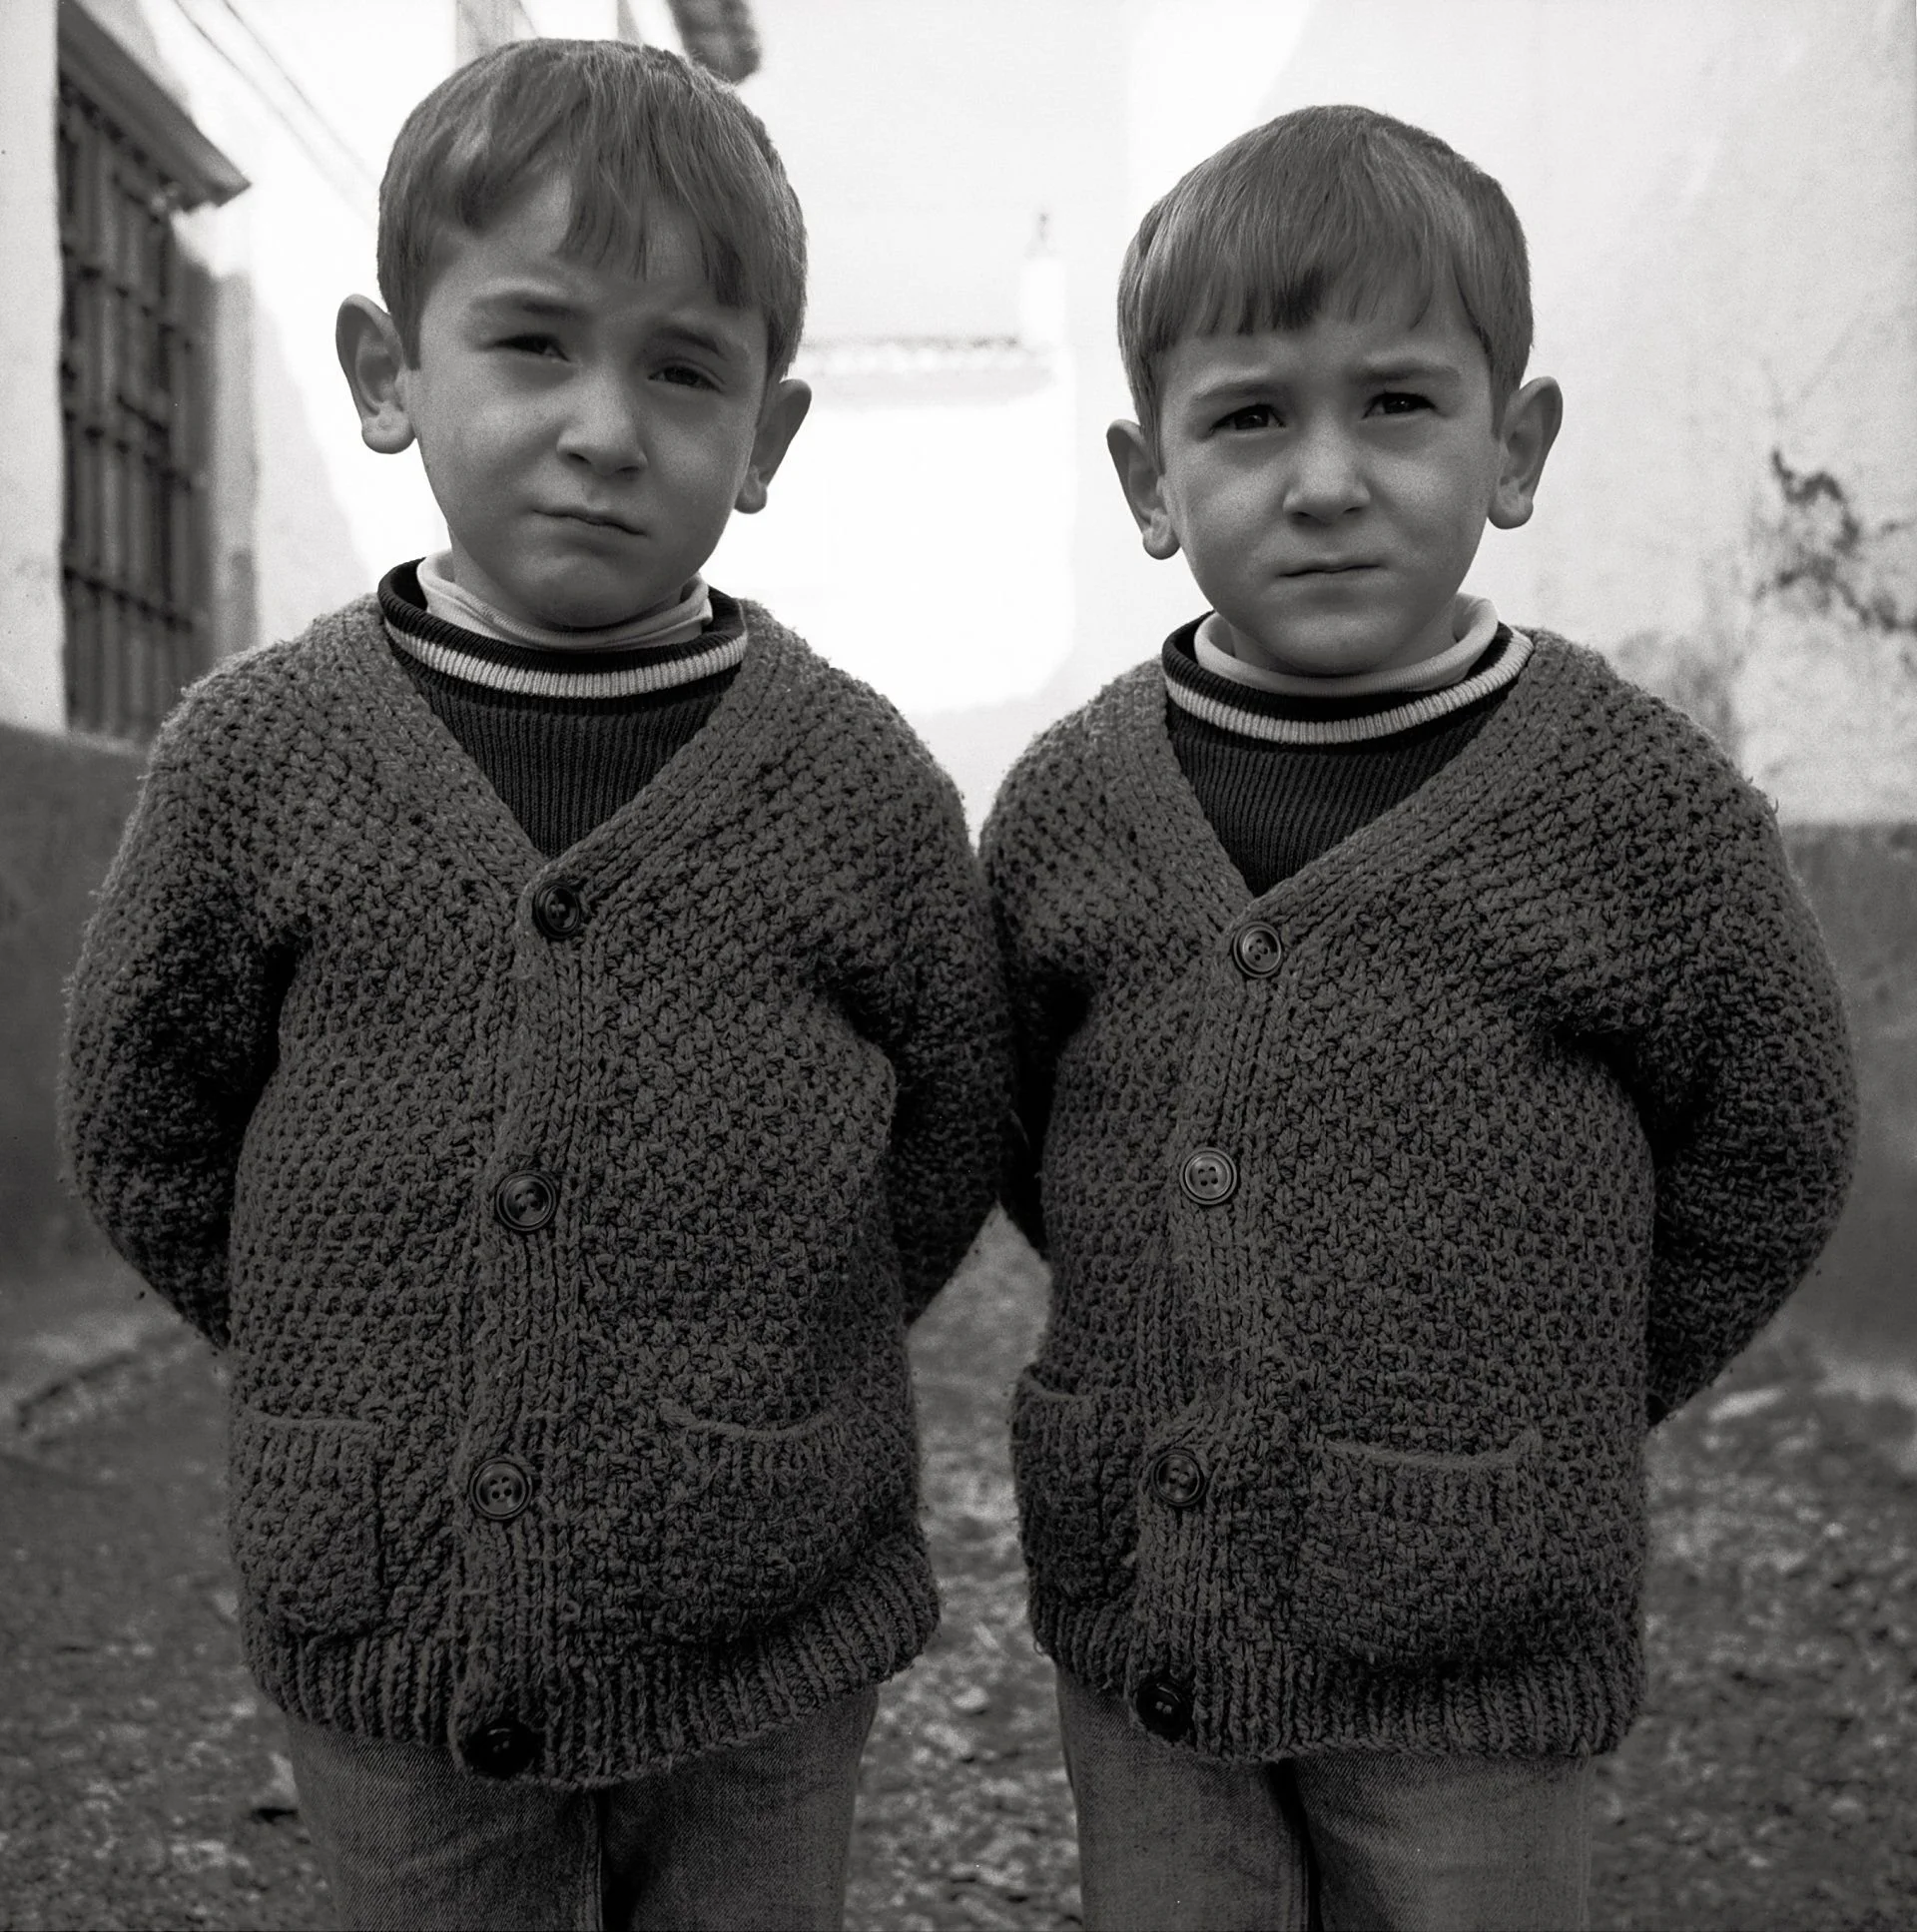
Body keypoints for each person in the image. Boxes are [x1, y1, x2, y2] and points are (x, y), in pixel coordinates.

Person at [61, 38, 1005, 1932]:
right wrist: (347, 1344)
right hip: (389, 1593)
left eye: (683, 368)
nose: (603, 423)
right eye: (531, 342)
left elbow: (948, 1126)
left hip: (762, 1606)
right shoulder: (261, 755)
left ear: (770, 437)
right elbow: (147, 1112)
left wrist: (757, 1339)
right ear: (387, 373)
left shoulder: (853, 780)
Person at [980, 105, 1856, 1932]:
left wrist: (1563, 1383)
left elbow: (1774, 1136)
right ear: (1150, 481)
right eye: (1247, 418)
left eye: (1395, 403)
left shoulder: (1634, 803)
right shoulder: (1069, 806)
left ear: (1512, 445)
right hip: (1152, 1598)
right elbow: (1013, 1114)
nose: (1323, 477)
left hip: (1478, 1631)